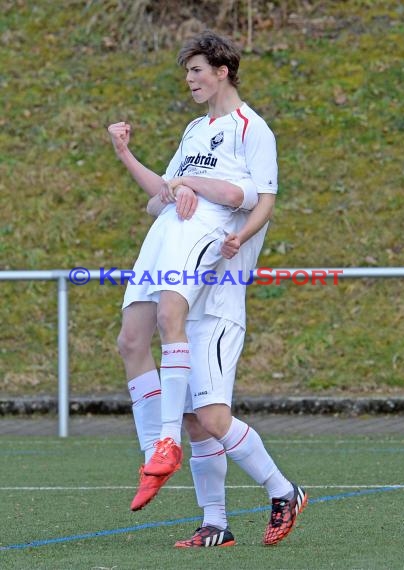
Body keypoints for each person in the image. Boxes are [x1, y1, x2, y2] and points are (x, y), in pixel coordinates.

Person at [108, 29, 307, 548]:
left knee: (213, 418)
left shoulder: (252, 129)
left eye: (197, 70)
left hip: (217, 298)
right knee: (196, 419)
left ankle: (283, 490)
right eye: (187, 71)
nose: (190, 80)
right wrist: (149, 169)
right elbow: (162, 196)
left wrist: (237, 231)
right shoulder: (195, 130)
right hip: (186, 280)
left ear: (222, 71)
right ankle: (214, 522)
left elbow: (259, 198)